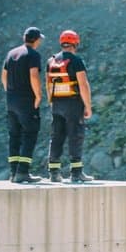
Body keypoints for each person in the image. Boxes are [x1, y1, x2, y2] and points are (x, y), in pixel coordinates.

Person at [46, 29, 94, 183]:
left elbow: (48, 84)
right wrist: (87, 106)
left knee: (56, 136)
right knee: (75, 135)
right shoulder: (76, 60)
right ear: (75, 43)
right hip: (73, 104)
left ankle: (54, 172)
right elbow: (83, 84)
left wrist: (51, 102)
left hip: (57, 104)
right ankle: (76, 173)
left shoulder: (51, 61)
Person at [1, 27, 45, 183]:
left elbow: (4, 75)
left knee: (14, 135)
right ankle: (23, 172)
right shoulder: (33, 55)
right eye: (40, 39)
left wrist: (10, 92)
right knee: (30, 133)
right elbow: (34, 75)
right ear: (36, 39)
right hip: (26, 100)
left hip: (11, 100)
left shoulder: (11, 53)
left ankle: (14, 173)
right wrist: (38, 95)